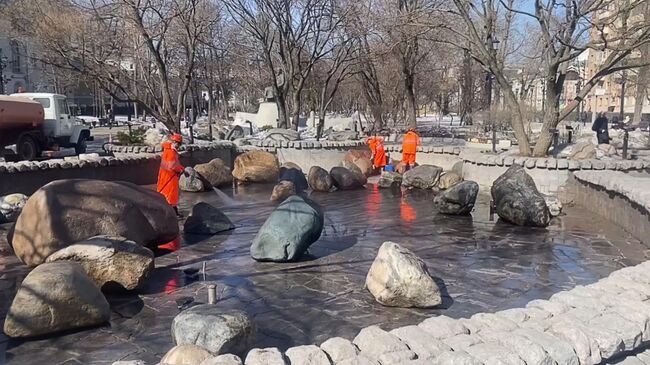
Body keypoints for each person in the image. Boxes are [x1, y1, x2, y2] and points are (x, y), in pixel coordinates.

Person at [157, 133, 186, 217]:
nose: (177, 145)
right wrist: (181, 170)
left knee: (166, 193)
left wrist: (181, 168)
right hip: (170, 176)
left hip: (166, 175)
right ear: (173, 142)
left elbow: (174, 164)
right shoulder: (171, 152)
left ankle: (172, 211)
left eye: (178, 143)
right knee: (170, 194)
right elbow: (172, 165)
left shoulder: (168, 150)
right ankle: (172, 213)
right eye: (176, 143)